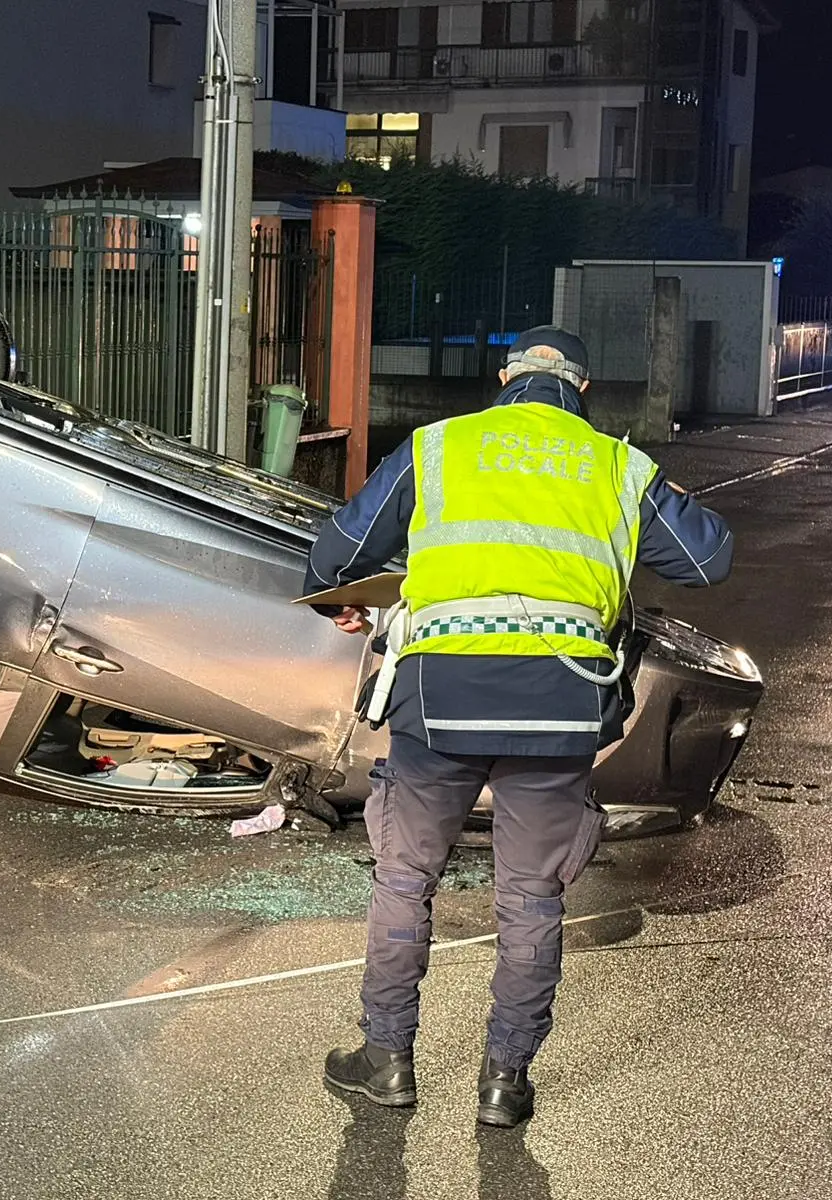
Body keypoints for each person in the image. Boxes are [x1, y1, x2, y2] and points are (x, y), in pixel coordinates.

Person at [304, 326, 733, 1127]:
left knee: (405, 879)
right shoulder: (615, 463)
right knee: (532, 895)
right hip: (563, 702)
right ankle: (505, 1080)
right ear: (582, 389)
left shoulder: (437, 448)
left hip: (440, 700)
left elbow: (340, 550)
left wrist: (343, 597)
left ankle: (388, 1060)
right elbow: (707, 559)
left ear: (502, 377)